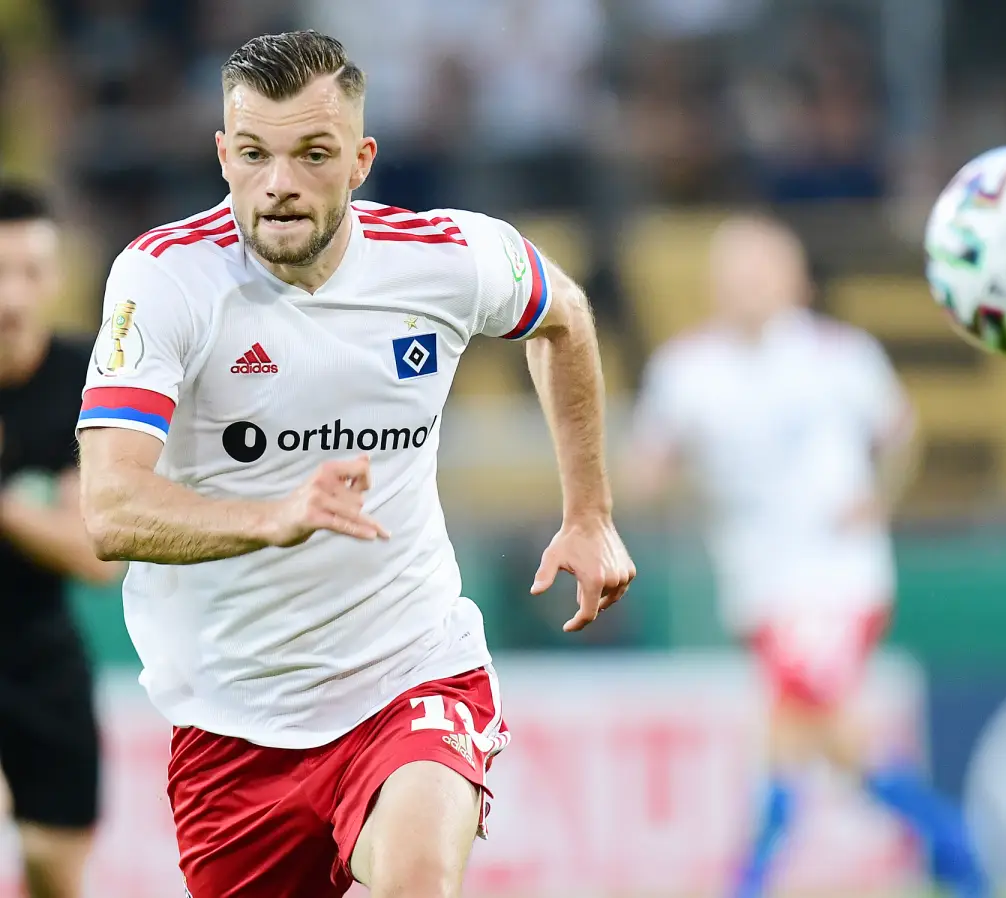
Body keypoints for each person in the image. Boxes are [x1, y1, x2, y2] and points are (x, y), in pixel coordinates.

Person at [75, 31, 635, 898]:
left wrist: (589, 512)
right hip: (233, 723)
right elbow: (110, 506)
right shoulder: (165, 281)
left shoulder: (443, 259)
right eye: (254, 155)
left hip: (409, 672)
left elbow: (563, 316)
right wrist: (271, 519)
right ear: (223, 156)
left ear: (361, 160)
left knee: (417, 879)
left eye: (313, 154)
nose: (279, 183)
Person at [626, 214, 990, 898]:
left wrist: (878, 497)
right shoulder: (686, 371)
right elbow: (649, 463)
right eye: (735, 271)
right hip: (755, 582)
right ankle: (948, 837)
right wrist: (648, 481)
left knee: (799, 716)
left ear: (796, 281)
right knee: (820, 734)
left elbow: (899, 432)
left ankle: (754, 879)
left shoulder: (839, 356)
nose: (747, 285)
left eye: (761, 270)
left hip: (838, 575)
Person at [0, 183, 122, 898]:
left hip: (43, 658)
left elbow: (95, 553)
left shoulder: (88, 378)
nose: (11, 296)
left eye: (30, 272)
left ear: (55, 278)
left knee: (53, 869)